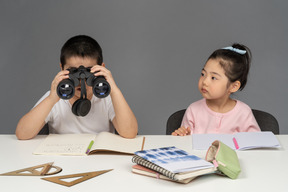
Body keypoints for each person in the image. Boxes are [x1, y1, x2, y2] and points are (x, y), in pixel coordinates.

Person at [16, 35, 138, 140]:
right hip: (63, 160)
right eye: (72, 72)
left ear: (102, 68)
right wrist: (51, 99)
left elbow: (130, 133)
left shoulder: (106, 96)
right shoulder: (55, 97)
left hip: (100, 160)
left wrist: (114, 89)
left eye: (89, 71)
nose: (81, 81)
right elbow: (22, 134)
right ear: (62, 69)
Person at [172, 43, 261, 136]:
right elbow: (186, 145)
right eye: (203, 74)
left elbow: (256, 143)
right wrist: (183, 136)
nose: (205, 82)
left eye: (213, 78)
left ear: (233, 86)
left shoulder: (243, 112)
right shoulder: (193, 111)